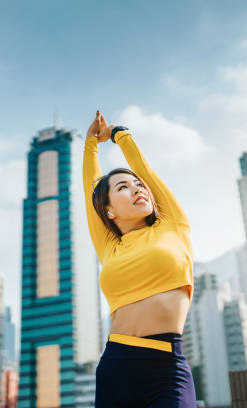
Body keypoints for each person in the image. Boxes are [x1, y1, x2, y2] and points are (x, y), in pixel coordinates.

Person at [84, 110, 196, 407]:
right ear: (109, 210)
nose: (136, 189)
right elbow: (90, 189)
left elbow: (143, 169)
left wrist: (119, 134)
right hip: (116, 364)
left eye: (138, 186)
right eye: (123, 187)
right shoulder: (109, 245)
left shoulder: (172, 225)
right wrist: (90, 144)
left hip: (165, 364)